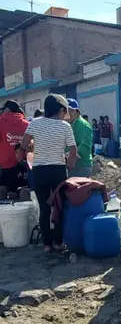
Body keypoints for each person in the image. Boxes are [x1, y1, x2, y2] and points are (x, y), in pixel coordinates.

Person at [22, 94, 76, 252]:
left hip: (39, 170)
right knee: (58, 207)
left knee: (44, 208)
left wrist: (35, 147)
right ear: (60, 110)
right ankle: (59, 242)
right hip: (58, 170)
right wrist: (68, 158)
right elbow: (73, 150)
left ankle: (47, 244)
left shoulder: (35, 123)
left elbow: (24, 144)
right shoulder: (65, 126)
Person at [0, 100, 29, 195]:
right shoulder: (27, 124)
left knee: (3, 193)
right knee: (22, 193)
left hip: (4, 166)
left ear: (7, 110)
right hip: (22, 166)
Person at [66, 99, 94, 177]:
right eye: (66, 111)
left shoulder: (84, 125)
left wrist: (71, 156)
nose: (67, 114)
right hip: (71, 166)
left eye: (70, 111)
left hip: (81, 166)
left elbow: (85, 146)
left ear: (77, 111)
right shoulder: (69, 125)